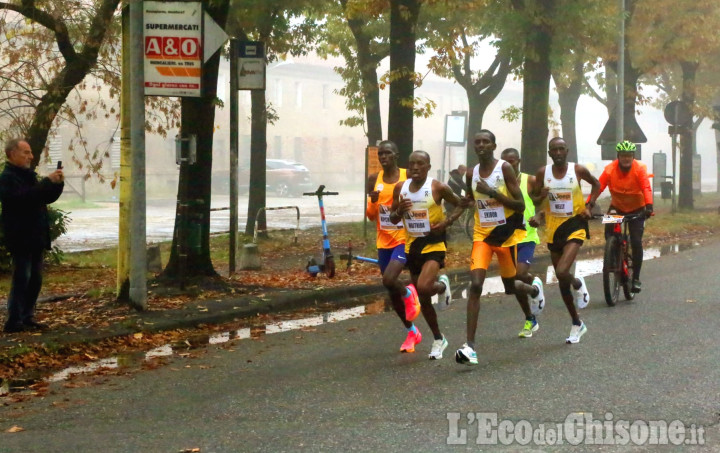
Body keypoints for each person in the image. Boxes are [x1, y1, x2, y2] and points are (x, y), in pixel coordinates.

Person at [454, 131, 544, 366]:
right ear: (474, 147)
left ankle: (532, 297)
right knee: (475, 285)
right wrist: (466, 203)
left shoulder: (504, 169)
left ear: (493, 145)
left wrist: (493, 192)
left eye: (486, 142)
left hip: (506, 237)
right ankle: (470, 347)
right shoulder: (471, 173)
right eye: (477, 142)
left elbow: (520, 204)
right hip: (482, 236)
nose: (481, 145)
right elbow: (472, 199)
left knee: (510, 287)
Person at [389, 150, 464, 360]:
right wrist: (399, 211)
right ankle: (439, 339)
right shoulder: (400, 188)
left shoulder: (437, 187)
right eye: (411, 164)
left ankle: (441, 285)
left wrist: (446, 223)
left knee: (422, 287)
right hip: (413, 246)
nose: (414, 168)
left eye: (420, 164)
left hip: (434, 243)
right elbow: (393, 219)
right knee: (423, 296)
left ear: (428, 167)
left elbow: (461, 203)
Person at [530, 137, 600, 344]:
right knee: (562, 282)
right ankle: (577, 323)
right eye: (554, 150)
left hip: (575, 225)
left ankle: (578, 283)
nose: (558, 152)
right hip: (553, 229)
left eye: (562, 149)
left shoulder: (577, 170)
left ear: (567, 151)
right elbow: (535, 199)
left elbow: (596, 184)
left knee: (561, 272)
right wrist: (538, 212)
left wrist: (590, 205)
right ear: (550, 153)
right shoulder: (543, 173)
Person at [0, 138, 64, 333]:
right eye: (26, 152)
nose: (30, 156)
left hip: (36, 235)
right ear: (12, 154)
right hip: (20, 235)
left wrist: (56, 185)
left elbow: (42, 197)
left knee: (35, 278)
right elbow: (23, 199)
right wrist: (46, 181)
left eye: (30, 152)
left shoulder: (28, 175)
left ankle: (27, 316)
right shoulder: (7, 178)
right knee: (23, 277)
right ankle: (14, 320)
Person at [366, 140, 421, 353]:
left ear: (396, 155)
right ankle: (412, 331)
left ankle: (409, 292)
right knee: (390, 289)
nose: (383, 157)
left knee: (389, 279)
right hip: (383, 240)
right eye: (380, 154)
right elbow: (371, 217)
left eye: (388, 153)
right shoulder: (374, 179)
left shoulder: (408, 176)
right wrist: (373, 201)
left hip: (404, 237)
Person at [594, 140, 653, 293]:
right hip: (617, 207)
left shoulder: (639, 169)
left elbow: (646, 187)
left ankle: (636, 278)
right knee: (609, 233)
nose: (626, 158)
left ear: (633, 156)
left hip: (637, 209)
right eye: (623, 155)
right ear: (618, 156)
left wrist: (649, 206)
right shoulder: (609, 170)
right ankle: (613, 255)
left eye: (629, 155)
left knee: (635, 241)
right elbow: (599, 187)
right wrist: (589, 204)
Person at [500, 148, 545, 316]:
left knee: (519, 274)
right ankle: (529, 315)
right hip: (507, 238)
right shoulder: (498, 184)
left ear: (518, 161)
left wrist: (538, 216)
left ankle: (534, 288)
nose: (508, 165)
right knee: (512, 283)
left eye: (511, 161)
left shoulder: (530, 180)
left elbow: (542, 202)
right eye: (505, 162)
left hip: (527, 235)